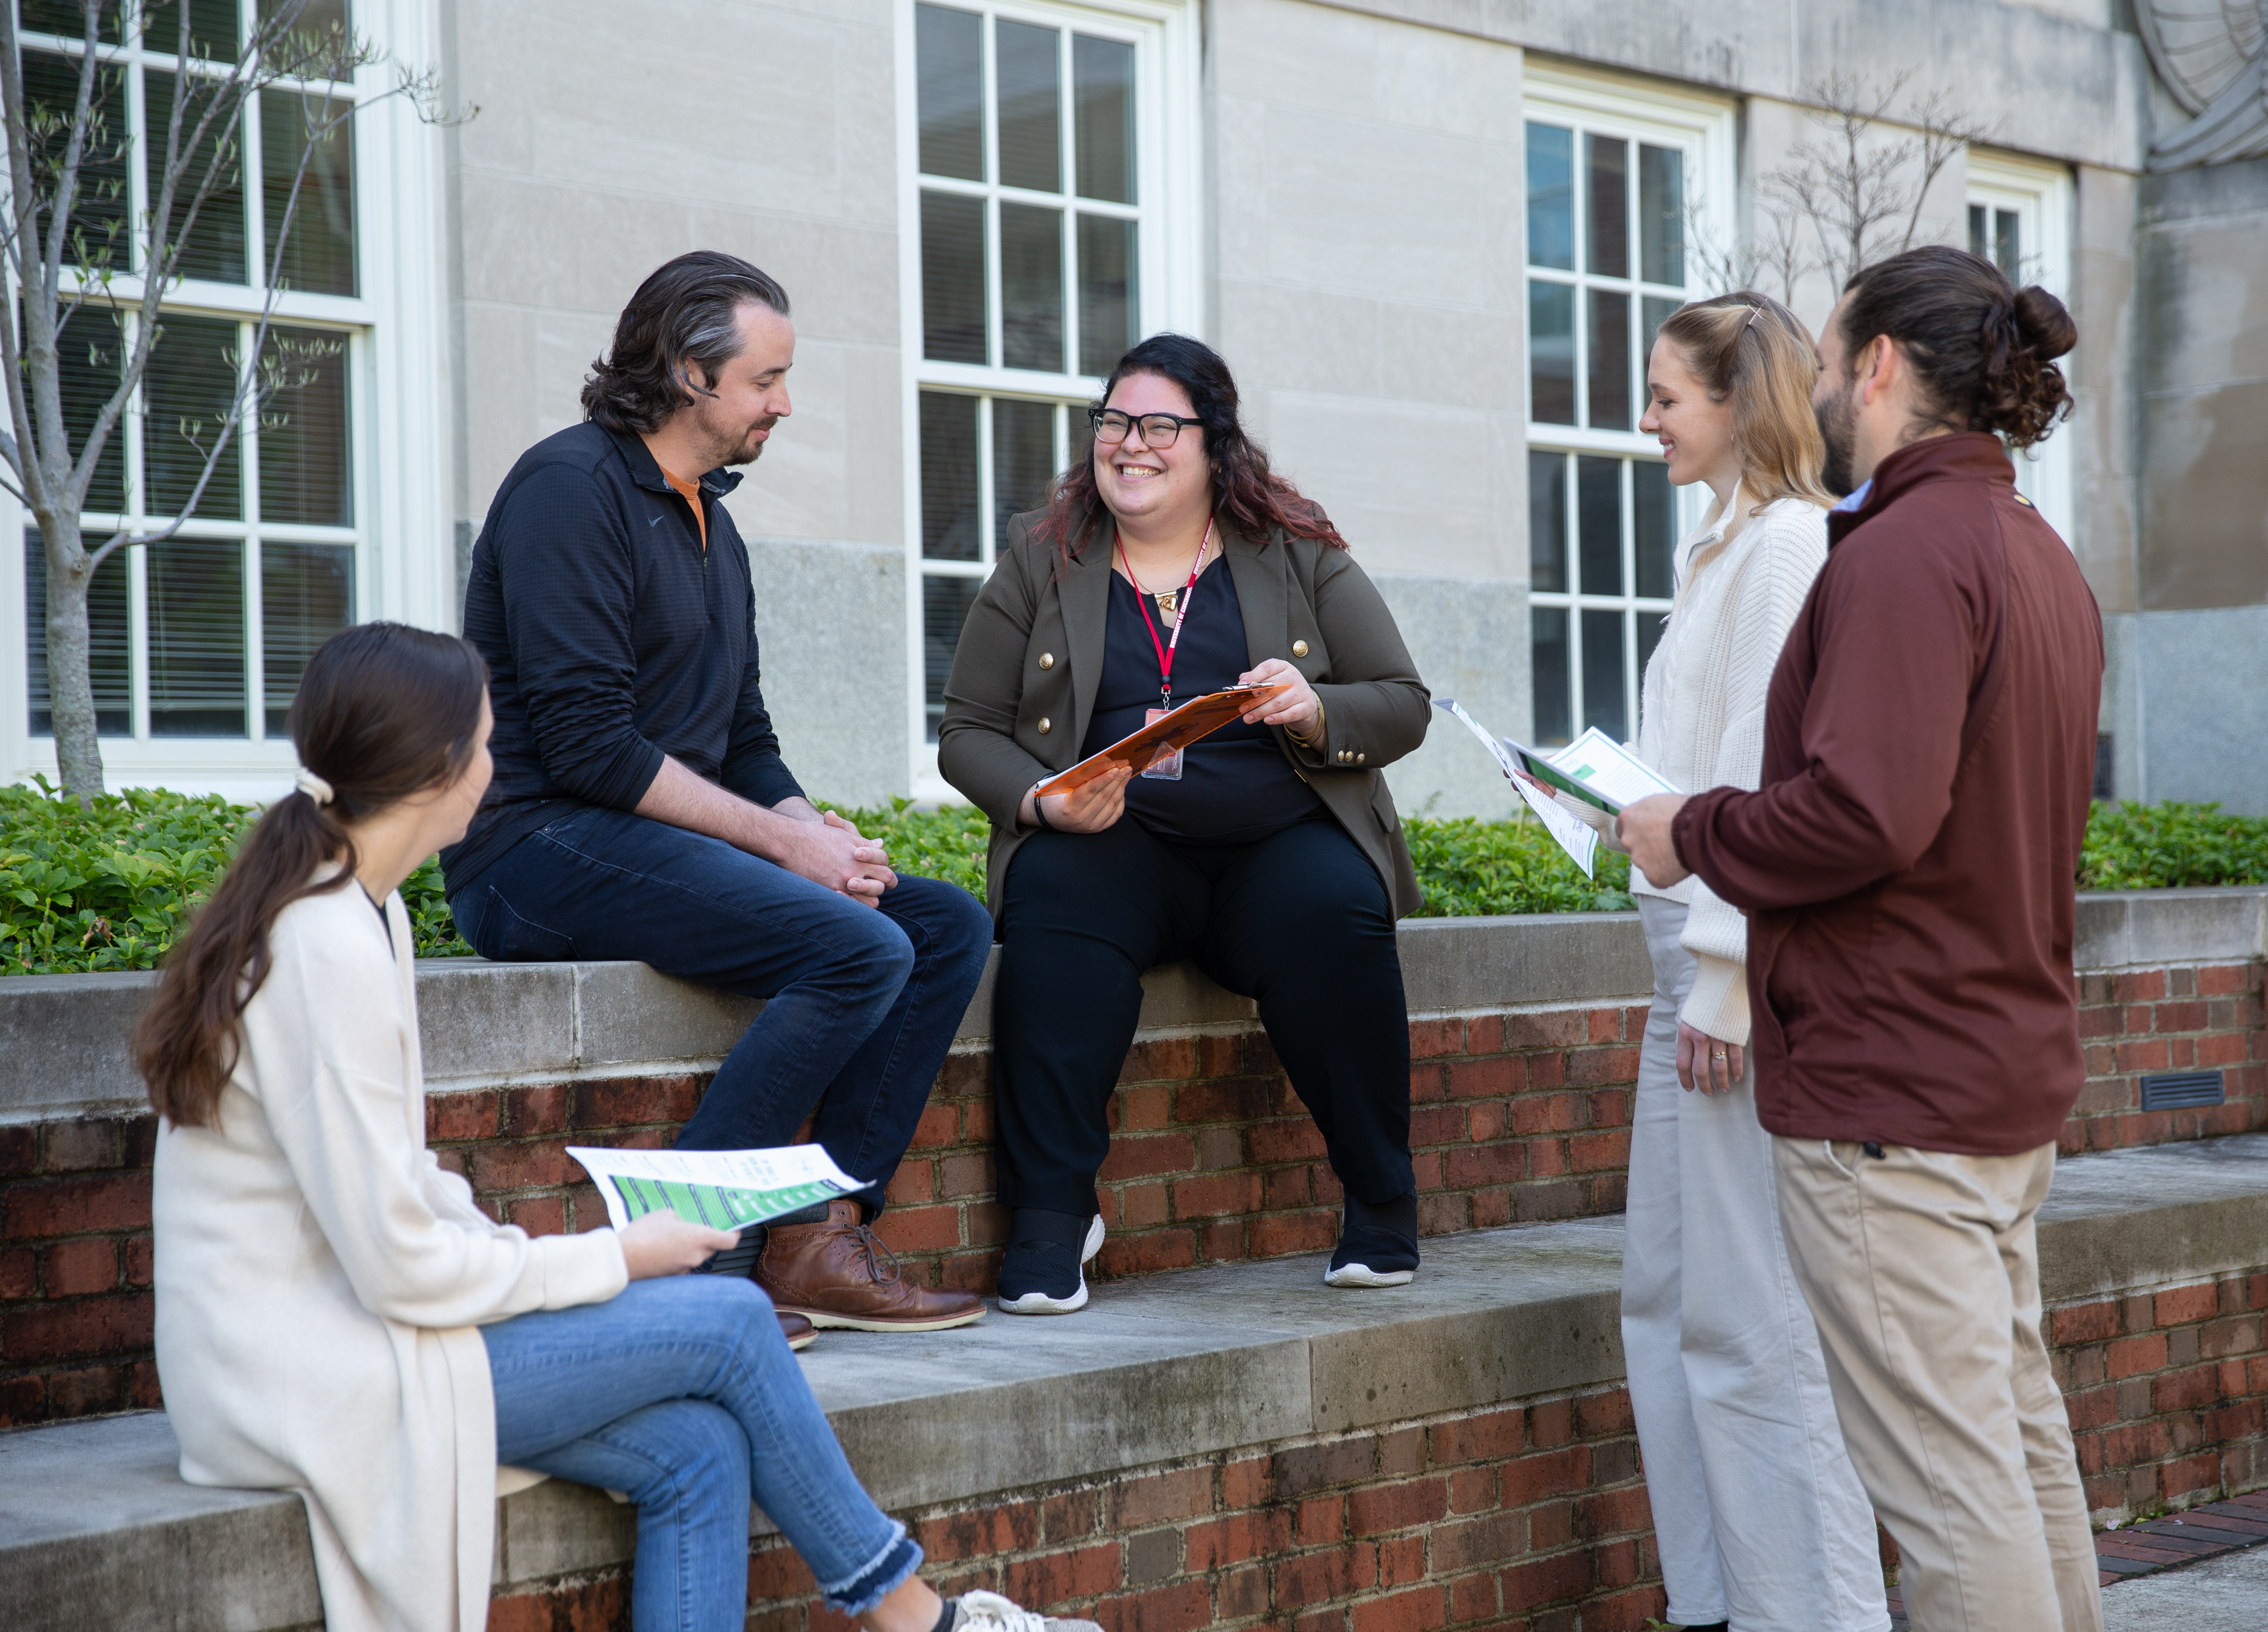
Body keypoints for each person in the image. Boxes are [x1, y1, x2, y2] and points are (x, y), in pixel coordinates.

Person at [139, 621, 1095, 1632]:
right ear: (436, 769)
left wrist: (557, 1258)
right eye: (487, 741)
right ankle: (918, 1618)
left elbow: (400, 1191)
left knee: (697, 1450)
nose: (496, 767)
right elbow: (395, 1263)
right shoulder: (321, 942)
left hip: (366, 1340)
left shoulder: (358, 911)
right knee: (728, 1321)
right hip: (302, 1379)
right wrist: (613, 1259)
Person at [1618, 245, 2103, 1632]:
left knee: (1958, 1510)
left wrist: (1694, 829)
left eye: (1829, 362)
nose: (1818, 386)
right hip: (1988, 1080)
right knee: (2017, 1468)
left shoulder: (1898, 554)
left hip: (1900, 1098)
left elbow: (1864, 816)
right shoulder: (2031, 551)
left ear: (1881, 367)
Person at [443, 252, 993, 1337]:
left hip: (645, 843)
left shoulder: (712, 522)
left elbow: (741, 735)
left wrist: (809, 827)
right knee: (858, 947)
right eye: (766, 380)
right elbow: (589, 746)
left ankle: (812, 1239)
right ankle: (681, 1256)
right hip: (533, 851)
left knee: (940, 925)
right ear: (692, 373)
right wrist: (786, 856)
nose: (783, 405)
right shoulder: (571, 490)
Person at [938, 333, 1431, 1312]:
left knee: (1333, 911)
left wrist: (1316, 706)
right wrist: (1044, 803)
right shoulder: (1045, 559)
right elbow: (969, 731)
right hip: (1116, 847)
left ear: (1214, 443)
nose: (1131, 444)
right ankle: (1050, 1221)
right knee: (1053, 903)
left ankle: (1382, 1199)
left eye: (1160, 425)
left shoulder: (1296, 553)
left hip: (1275, 845)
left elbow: (1402, 701)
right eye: (1115, 422)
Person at [1613, 291, 1887, 1632]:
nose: (1648, 418)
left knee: (1753, 1324)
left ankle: (1813, 1615)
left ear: (1739, 402)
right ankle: (1712, 1602)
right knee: (1663, 1306)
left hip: (1727, 968)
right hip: (1683, 957)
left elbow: (1767, 779)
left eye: (1669, 396)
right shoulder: (1724, 546)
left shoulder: (1788, 546)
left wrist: (1726, 972)